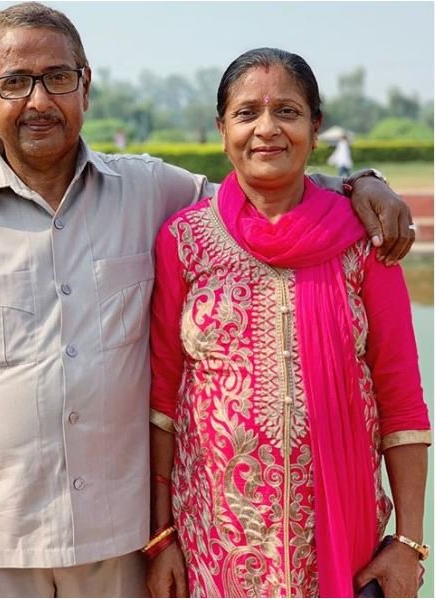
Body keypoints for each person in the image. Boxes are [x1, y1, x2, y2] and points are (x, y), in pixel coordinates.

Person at [0, 4, 416, 598]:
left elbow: (267, 189)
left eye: (57, 77)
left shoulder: (152, 192)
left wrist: (364, 182)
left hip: (120, 542)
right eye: (14, 82)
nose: (39, 100)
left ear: (86, 84)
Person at [147, 48, 430, 598]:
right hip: (212, 542)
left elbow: (401, 401)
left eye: (289, 112)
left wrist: (409, 543)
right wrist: (162, 539)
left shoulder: (365, 239)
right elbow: (162, 400)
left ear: (315, 127)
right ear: (221, 129)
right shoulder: (183, 240)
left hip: (341, 544)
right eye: (247, 113)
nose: (267, 129)